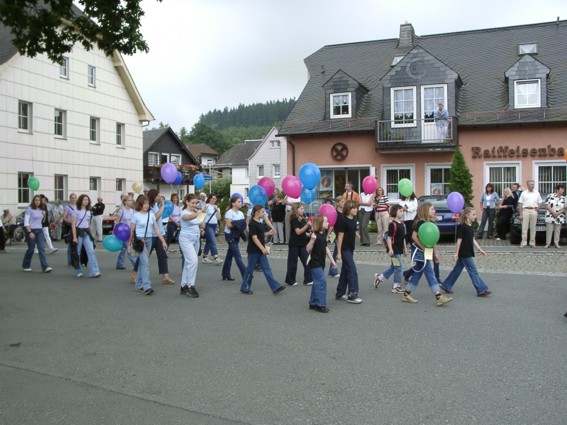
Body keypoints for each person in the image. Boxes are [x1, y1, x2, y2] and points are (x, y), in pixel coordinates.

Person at [402, 202, 453, 306]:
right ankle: (438, 296)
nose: (435, 211)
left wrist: (436, 253)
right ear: (425, 210)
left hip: (427, 251)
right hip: (420, 252)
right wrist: (423, 248)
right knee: (430, 273)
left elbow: (432, 240)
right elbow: (414, 236)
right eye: (432, 209)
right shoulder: (421, 223)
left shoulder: (431, 223)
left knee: (418, 273)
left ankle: (406, 294)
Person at [440, 207, 492, 297]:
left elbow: (472, 239)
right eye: (473, 215)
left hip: (468, 251)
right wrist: (456, 253)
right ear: (467, 215)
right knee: (473, 271)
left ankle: (446, 285)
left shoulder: (470, 227)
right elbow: (459, 240)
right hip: (464, 252)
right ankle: (481, 289)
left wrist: (480, 249)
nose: (475, 216)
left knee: (457, 269)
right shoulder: (462, 226)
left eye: (475, 214)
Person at [239, 205, 285, 295]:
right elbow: (254, 237)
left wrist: (268, 233)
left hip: (260, 250)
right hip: (254, 250)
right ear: (257, 212)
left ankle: (275, 286)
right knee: (250, 269)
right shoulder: (252, 223)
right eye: (263, 212)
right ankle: (244, 287)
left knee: (267, 269)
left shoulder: (259, 222)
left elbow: (260, 234)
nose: (264, 214)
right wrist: (263, 248)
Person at [134, 189, 175, 284]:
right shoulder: (149, 207)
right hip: (150, 235)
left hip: (160, 234)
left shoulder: (157, 205)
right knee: (144, 256)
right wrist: (163, 207)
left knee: (163, 256)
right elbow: (155, 218)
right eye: (158, 196)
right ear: (154, 196)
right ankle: (135, 273)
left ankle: (165, 276)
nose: (159, 197)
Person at [127, 195, 167, 295]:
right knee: (145, 263)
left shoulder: (151, 214)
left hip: (149, 240)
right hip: (140, 241)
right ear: (140, 204)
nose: (146, 205)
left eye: (147, 203)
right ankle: (147, 286)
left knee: (142, 263)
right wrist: (128, 244)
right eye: (144, 203)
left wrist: (163, 241)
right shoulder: (136, 215)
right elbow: (131, 231)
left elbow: (156, 229)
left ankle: (138, 285)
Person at [374, 204, 408, 294]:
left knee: (394, 267)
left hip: (399, 249)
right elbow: (389, 238)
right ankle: (396, 286)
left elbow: (403, 238)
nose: (402, 212)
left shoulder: (402, 224)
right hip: (394, 250)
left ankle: (380, 277)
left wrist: (405, 249)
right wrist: (390, 249)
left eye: (402, 211)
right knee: (399, 267)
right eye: (400, 211)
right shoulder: (392, 225)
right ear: (395, 212)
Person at [306, 214, 337, 313]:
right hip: (314, 262)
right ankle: (320, 304)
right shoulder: (314, 235)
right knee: (322, 282)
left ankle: (313, 302)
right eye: (326, 221)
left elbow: (325, 248)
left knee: (317, 282)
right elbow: (308, 249)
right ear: (320, 224)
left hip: (321, 262)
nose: (328, 223)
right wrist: (312, 240)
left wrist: (332, 260)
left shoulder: (323, 234)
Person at [335, 200, 362, 304]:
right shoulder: (343, 220)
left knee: (345, 271)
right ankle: (352, 294)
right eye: (353, 208)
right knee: (352, 270)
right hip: (344, 249)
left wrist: (356, 234)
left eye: (356, 208)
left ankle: (340, 293)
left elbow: (352, 229)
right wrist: (339, 252)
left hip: (350, 248)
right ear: (348, 209)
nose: (356, 210)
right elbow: (340, 237)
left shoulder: (353, 219)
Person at [178, 194, 204, 298]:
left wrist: (203, 215)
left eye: (195, 203)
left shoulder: (196, 213)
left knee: (188, 263)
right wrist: (199, 213)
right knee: (193, 261)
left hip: (196, 239)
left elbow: (202, 225)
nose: (194, 205)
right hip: (186, 239)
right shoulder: (183, 212)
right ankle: (190, 286)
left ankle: (183, 285)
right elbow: (188, 218)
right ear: (187, 202)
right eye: (192, 203)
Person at [71, 194, 101, 278]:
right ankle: (78, 271)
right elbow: (73, 224)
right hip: (78, 232)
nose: (86, 201)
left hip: (86, 232)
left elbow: (88, 224)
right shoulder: (76, 211)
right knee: (78, 252)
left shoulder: (89, 211)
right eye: (84, 199)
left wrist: (91, 235)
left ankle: (94, 271)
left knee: (91, 251)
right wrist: (74, 237)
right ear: (80, 201)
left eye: (87, 200)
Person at [22, 195, 52, 273]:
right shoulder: (29, 209)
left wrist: (44, 215)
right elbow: (26, 222)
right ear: (33, 201)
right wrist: (29, 232)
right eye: (36, 200)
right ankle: (26, 264)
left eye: (39, 200)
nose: (37, 202)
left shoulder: (41, 209)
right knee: (31, 249)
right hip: (31, 229)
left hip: (39, 230)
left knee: (41, 248)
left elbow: (43, 220)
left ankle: (45, 266)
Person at [284, 203, 313, 286]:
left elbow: (303, 232)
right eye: (301, 208)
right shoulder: (294, 219)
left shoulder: (303, 219)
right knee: (293, 263)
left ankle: (308, 279)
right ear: (296, 210)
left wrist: (309, 234)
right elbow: (298, 232)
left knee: (308, 261)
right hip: (294, 243)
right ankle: (290, 280)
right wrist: (307, 226)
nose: (303, 210)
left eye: (303, 208)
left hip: (302, 243)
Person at [221, 195, 247, 281]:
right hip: (230, 235)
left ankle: (225, 274)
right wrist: (238, 224)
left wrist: (236, 224)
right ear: (233, 203)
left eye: (241, 202)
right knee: (237, 255)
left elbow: (243, 225)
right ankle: (246, 275)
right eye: (239, 202)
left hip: (237, 235)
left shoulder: (241, 213)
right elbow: (228, 225)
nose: (241, 203)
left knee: (230, 254)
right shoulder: (229, 212)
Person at [115, 194, 137, 273]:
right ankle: (136, 265)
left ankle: (119, 264)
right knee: (129, 248)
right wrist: (115, 232)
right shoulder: (121, 210)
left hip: (131, 232)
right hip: (123, 232)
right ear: (125, 202)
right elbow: (117, 222)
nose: (131, 201)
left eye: (131, 200)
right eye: (129, 200)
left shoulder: (133, 211)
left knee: (124, 248)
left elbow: (134, 222)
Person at [518, 179, 542, 248]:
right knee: (524, 227)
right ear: (528, 185)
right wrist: (520, 214)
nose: (532, 186)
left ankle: (532, 242)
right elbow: (520, 204)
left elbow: (540, 202)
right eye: (531, 184)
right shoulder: (524, 193)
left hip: (533, 210)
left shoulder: (537, 193)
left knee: (533, 228)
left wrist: (537, 209)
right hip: (525, 210)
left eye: (533, 184)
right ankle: (523, 242)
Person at [201, 193, 223, 264]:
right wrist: (202, 226)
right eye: (212, 198)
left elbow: (219, 218)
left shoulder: (216, 207)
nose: (214, 200)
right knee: (213, 240)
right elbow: (202, 215)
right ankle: (215, 257)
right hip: (208, 225)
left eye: (215, 199)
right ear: (209, 198)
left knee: (209, 241)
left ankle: (204, 256)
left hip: (214, 225)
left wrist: (217, 210)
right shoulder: (206, 206)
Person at [544, 184, 565, 249]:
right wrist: (553, 212)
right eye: (561, 189)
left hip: (559, 216)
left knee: (557, 231)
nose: (563, 191)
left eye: (563, 190)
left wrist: (558, 213)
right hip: (550, 215)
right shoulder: (550, 196)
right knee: (549, 230)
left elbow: (565, 208)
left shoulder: (564, 198)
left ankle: (556, 243)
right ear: (557, 190)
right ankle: (548, 244)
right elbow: (547, 205)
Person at [328, 196, 345, 278]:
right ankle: (333, 270)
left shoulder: (344, 212)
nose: (344, 203)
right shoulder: (334, 213)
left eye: (344, 202)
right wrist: (328, 235)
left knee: (338, 250)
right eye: (342, 202)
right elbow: (331, 225)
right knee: (337, 251)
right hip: (336, 234)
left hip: (343, 234)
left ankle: (332, 270)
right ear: (337, 203)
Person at [62, 193, 77, 266]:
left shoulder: (78, 206)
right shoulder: (67, 207)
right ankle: (70, 261)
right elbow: (64, 218)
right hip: (70, 227)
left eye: (75, 198)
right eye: (72, 198)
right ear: (70, 199)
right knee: (71, 245)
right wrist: (71, 221)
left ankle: (77, 260)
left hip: (78, 227)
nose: (73, 199)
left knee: (78, 244)